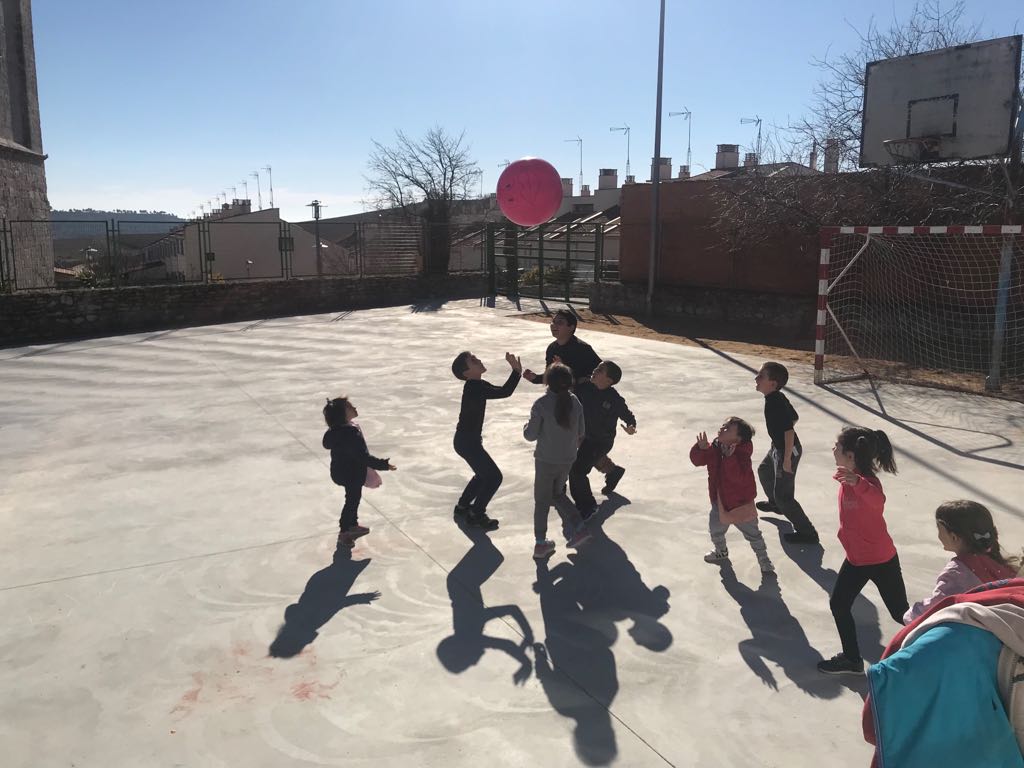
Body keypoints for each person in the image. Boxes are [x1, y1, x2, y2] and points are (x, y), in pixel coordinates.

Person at [818, 426, 907, 675]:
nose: (833, 449)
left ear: (850, 455)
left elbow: (878, 499)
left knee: (900, 612)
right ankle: (851, 659)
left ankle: (933, 644)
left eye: (837, 446)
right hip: (857, 559)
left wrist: (859, 483)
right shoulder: (848, 476)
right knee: (839, 604)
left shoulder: (867, 483)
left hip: (881, 559)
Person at [904, 500, 1018, 623]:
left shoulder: (957, 574)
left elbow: (935, 608)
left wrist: (910, 615)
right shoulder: (999, 562)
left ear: (954, 537)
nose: (938, 535)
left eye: (939, 529)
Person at [690, 417, 775, 575]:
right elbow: (698, 461)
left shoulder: (742, 453)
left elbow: (739, 477)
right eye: (724, 425)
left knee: (753, 534)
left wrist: (729, 458)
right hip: (719, 501)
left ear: (738, 439)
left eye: (728, 428)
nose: (723, 428)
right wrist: (701, 449)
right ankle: (721, 551)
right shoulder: (715, 447)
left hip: (741, 503)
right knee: (715, 529)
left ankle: (764, 559)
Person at [524, 363, 591, 559]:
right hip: (567, 459)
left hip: (546, 460)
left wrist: (526, 426)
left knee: (542, 501)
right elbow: (581, 433)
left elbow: (530, 435)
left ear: (546, 382)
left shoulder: (541, 404)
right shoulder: (575, 402)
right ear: (570, 382)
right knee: (558, 493)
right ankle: (579, 527)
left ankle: (540, 543)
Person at [452, 350, 522, 530]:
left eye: (475, 357)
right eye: (473, 360)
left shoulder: (477, 384)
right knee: (494, 477)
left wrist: (515, 372)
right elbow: (505, 392)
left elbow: (502, 391)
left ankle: (463, 506)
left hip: (466, 441)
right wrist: (516, 371)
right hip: (468, 442)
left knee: (483, 474)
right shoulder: (475, 387)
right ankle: (476, 513)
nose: (478, 360)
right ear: (466, 373)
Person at [754, 362, 818, 544]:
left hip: (786, 451)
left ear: (772, 383)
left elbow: (789, 431)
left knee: (785, 496)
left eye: (760, 376)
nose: (756, 379)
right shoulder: (777, 397)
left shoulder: (775, 403)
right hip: (778, 447)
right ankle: (776, 504)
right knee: (764, 470)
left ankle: (808, 533)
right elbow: (794, 417)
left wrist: (787, 458)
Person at [322, 397, 395, 549]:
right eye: (349, 406)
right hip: (351, 473)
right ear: (343, 414)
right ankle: (344, 532)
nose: (354, 407)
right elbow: (363, 457)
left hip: (340, 471)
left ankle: (353, 524)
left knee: (354, 497)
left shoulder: (337, 431)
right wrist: (383, 465)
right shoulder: (350, 433)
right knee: (352, 500)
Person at [569, 360, 636, 519]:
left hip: (601, 441)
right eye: (597, 368)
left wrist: (631, 426)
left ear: (609, 380)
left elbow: (628, 416)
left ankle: (588, 505)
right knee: (585, 460)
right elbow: (568, 385)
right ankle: (614, 472)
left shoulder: (614, 399)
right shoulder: (585, 387)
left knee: (577, 470)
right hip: (585, 436)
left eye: (600, 370)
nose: (595, 370)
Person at [523, 309, 601, 386]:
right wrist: (535, 378)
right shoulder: (552, 348)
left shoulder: (583, 349)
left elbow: (604, 375)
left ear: (571, 327)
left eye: (560, 322)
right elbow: (550, 377)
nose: (554, 325)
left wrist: (563, 369)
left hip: (582, 395)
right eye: (553, 321)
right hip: (560, 394)